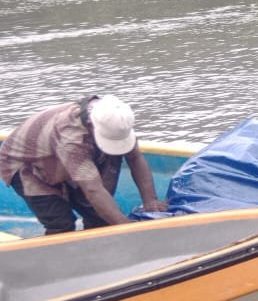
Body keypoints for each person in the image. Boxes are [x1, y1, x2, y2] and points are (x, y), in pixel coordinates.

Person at [0, 95, 166, 234]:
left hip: (64, 155)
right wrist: (126, 228)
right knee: (61, 225)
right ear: (92, 126)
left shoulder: (116, 118)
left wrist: (150, 201)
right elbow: (93, 190)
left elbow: (135, 158)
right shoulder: (72, 137)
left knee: (100, 217)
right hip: (29, 165)